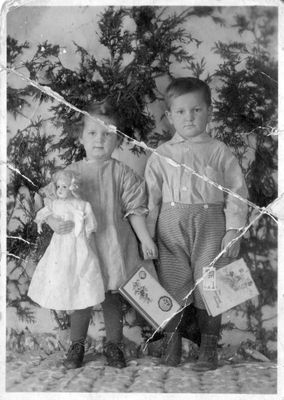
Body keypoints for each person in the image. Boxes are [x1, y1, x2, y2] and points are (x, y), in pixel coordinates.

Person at [37, 99, 158, 369]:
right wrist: (54, 221)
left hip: (114, 245)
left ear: (117, 140)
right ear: (81, 137)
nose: (100, 140)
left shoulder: (122, 173)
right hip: (82, 247)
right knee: (82, 296)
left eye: (108, 134)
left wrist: (146, 239)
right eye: (92, 133)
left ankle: (113, 345)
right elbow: (47, 201)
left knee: (112, 297)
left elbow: (136, 209)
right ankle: (76, 345)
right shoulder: (71, 173)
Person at [145, 77, 248, 370]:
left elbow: (237, 193)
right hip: (170, 230)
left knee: (212, 285)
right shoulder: (161, 155)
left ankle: (209, 349)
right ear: (169, 116)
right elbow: (150, 200)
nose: (189, 117)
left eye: (196, 110)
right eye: (180, 112)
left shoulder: (219, 151)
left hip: (211, 229)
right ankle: (172, 345)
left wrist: (233, 230)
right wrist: (146, 237)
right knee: (171, 285)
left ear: (209, 111)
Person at [28, 169, 105, 311]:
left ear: (72, 187)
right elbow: (42, 214)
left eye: (64, 186)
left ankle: (74, 301)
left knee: (79, 270)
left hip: (78, 243)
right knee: (60, 271)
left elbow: (91, 225)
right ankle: (64, 302)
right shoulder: (55, 204)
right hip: (60, 244)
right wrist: (46, 221)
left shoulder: (82, 205)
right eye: (58, 187)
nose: (60, 190)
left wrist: (83, 232)